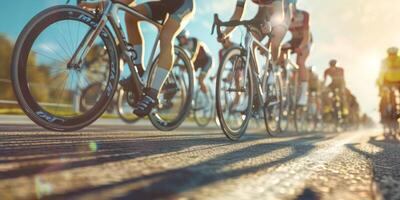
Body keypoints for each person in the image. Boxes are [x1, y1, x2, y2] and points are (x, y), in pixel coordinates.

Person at [81, 0, 195, 117]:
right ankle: (139, 72)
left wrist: (94, 4)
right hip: (164, 3)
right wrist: (98, 4)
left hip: (183, 4)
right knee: (130, 16)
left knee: (166, 36)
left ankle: (152, 95)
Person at [218, 0, 288, 74]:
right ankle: (255, 79)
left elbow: (279, 14)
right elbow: (237, 15)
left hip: (278, 16)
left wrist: (271, 23)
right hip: (261, 16)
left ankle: (274, 67)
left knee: (275, 43)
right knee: (249, 42)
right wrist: (225, 33)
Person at [281, 7, 312, 106]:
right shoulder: (283, 14)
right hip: (294, 41)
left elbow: (306, 37)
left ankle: (304, 92)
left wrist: (301, 47)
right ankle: (282, 76)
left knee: (300, 61)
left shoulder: (304, 15)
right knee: (280, 51)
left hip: (305, 41)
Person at [377, 47, 400, 124]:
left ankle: (392, 111)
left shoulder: (398, 60)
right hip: (387, 82)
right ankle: (385, 113)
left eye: (394, 54)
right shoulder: (385, 61)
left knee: (388, 97)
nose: (392, 56)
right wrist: (380, 86)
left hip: (397, 81)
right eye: (391, 54)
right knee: (385, 97)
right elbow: (381, 74)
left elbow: (381, 74)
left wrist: (380, 86)